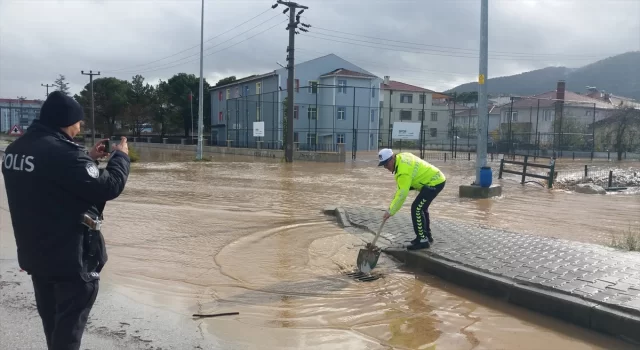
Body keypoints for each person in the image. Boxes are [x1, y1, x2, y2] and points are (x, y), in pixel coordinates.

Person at [1, 91, 131, 350]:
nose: (80, 126)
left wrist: (89, 159)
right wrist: (121, 157)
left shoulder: (16, 150)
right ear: (66, 120)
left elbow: (48, 182)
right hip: (71, 259)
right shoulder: (65, 154)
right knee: (68, 331)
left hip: (36, 256)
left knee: (53, 324)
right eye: (78, 121)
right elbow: (109, 187)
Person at [378, 148, 446, 250]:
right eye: (383, 165)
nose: (385, 167)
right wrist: (391, 207)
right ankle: (426, 236)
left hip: (434, 183)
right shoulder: (402, 157)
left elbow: (402, 195)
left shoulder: (403, 172)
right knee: (422, 208)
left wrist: (391, 211)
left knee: (416, 208)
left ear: (392, 159)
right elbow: (401, 190)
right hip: (437, 178)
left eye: (386, 164)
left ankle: (423, 240)